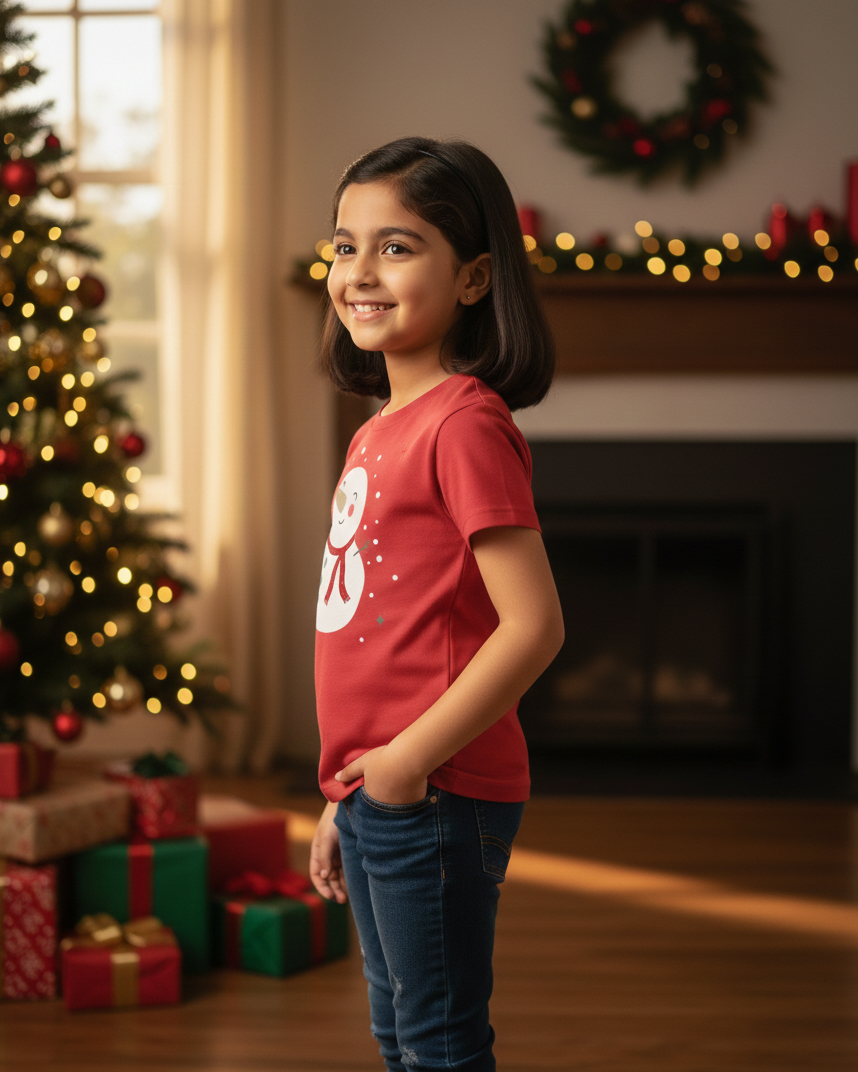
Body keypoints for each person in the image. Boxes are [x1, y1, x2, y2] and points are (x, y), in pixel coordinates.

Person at [309, 135, 564, 1072]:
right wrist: (348, 793)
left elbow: (534, 625)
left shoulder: (463, 423)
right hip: (382, 788)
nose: (360, 272)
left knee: (440, 1046)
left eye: (398, 246)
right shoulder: (382, 425)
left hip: (437, 788)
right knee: (401, 1040)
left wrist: (405, 764)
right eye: (345, 245)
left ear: (473, 279)